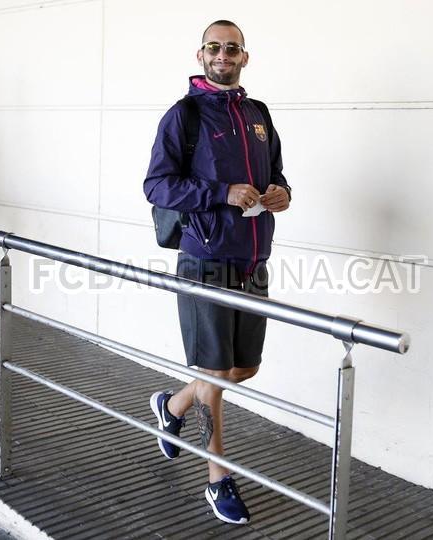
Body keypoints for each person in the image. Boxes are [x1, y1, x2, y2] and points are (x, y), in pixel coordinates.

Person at [143, 20, 291, 525]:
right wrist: (221, 192)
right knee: (213, 374)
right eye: (214, 47)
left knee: (242, 369)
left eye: (232, 48)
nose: (222, 55)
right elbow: (157, 186)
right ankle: (217, 478)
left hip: (254, 259)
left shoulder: (258, 114)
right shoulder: (184, 116)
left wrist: (281, 193)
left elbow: (277, 174)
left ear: (244, 57)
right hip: (204, 258)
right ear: (200, 55)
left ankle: (171, 406)